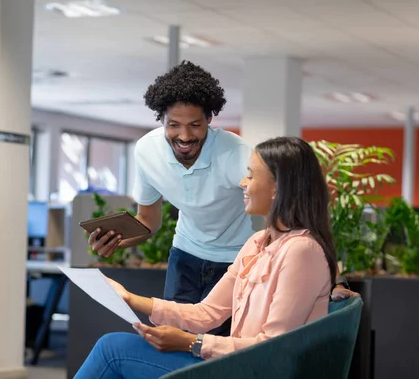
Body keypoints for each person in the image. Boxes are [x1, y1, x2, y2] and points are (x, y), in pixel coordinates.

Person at [87, 62, 356, 335]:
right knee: (171, 339)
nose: (184, 135)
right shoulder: (146, 151)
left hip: (235, 258)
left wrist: (333, 277)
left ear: (209, 120)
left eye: (195, 125)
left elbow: (298, 201)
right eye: (174, 125)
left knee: (217, 350)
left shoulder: (236, 155)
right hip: (185, 254)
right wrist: (118, 239)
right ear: (161, 120)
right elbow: (147, 221)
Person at [75, 136, 344, 379]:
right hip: (239, 365)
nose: (242, 182)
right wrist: (129, 298)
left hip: (256, 371)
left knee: (113, 350)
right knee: (114, 346)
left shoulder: (301, 251)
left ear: (278, 187)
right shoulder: (257, 243)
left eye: (251, 175)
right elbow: (207, 313)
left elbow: (273, 346)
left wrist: (191, 343)